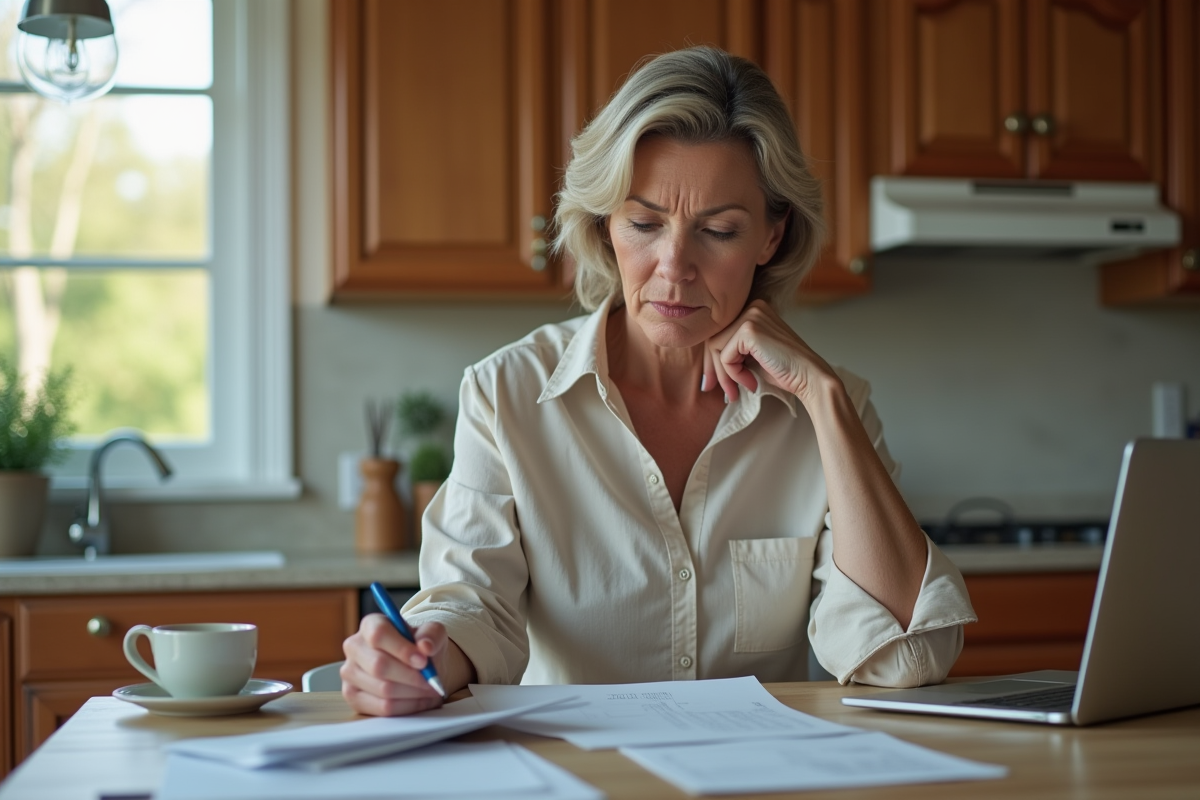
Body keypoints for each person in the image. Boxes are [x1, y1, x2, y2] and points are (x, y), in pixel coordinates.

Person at [341, 46, 976, 717]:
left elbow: (907, 658)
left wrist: (823, 399)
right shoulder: (507, 394)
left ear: (770, 237)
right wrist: (418, 660)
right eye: (644, 224)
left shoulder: (826, 411)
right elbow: (473, 606)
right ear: (605, 224)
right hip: (579, 767)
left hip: (755, 769)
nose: (674, 267)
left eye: (719, 231)